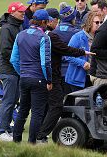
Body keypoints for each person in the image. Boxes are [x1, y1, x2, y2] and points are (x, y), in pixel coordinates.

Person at [36, 10, 91, 144]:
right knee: (58, 106)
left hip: (36, 75)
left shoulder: (28, 34)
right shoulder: (60, 35)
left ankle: (31, 136)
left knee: (39, 107)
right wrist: (83, 52)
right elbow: (66, 51)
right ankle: (41, 135)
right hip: (59, 76)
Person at [10, 9, 53, 144]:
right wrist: (49, 80)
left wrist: (22, 73)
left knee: (23, 110)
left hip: (24, 78)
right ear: (44, 22)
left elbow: (13, 59)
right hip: (39, 79)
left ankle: (16, 141)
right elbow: (45, 62)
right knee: (37, 113)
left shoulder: (20, 35)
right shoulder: (44, 37)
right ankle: (31, 143)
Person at [0, 1, 27, 142]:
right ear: (12, 12)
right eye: (21, 11)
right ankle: (0, 131)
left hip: (15, 70)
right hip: (8, 70)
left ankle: (6, 129)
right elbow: (6, 51)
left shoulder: (18, 26)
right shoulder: (6, 28)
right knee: (8, 101)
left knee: (13, 100)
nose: (23, 13)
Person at [64, 10, 102, 93]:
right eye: (97, 22)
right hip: (77, 80)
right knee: (80, 105)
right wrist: (83, 63)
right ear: (89, 23)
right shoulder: (78, 37)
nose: (99, 25)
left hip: (94, 78)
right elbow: (67, 55)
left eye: (101, 22)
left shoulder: (100, 37)